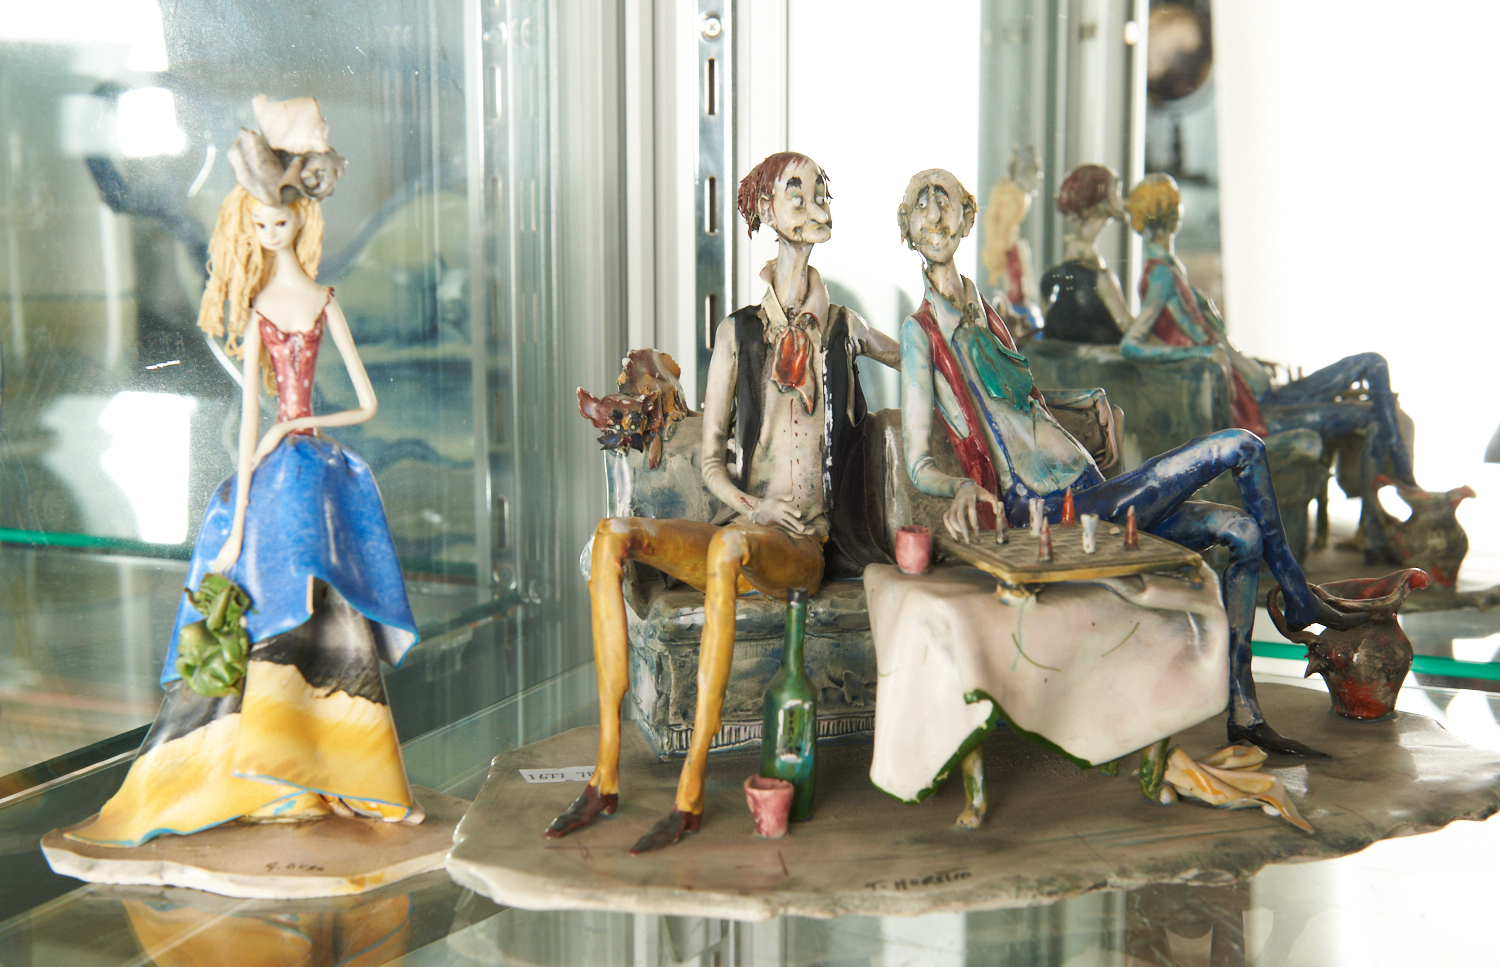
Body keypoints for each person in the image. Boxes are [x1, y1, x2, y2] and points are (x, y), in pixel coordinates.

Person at [897, 168, 1368, 758]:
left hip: (1095, 489)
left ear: (967, 218)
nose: (935, 216)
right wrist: (961, 488)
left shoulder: (983, 308)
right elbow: (918, 462)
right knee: (1242, 444)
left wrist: (1082, 400)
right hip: (1055, 511)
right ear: (907, 228)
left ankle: (1244, 712)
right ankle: (1299, 599)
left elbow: (1023, 402)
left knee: (1243, 532)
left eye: (945, 203)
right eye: (922, 206)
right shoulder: (921, 333)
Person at [67, 96, 422, 847]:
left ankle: (347, 772)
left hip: (313, 468)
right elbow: (252, 417)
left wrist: (296, 426)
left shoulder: (321, 302)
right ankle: (271, 776)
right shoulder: (261, 308)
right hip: (276, 470)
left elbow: (365, 402)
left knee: (331, 609)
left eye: (278, 221)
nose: (269, 233)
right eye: (258, 224)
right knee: (264, 600)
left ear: (299, 218)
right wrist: (243, 495)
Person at [546, 151, 900, 853]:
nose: (815, 201)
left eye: (821, 189)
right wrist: (750, 503)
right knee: (614, 535)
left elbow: (921, 358)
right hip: (749, 525)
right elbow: (711, 460)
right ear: (765, 211)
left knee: (730, 549)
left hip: (801, 546)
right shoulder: (737, 333)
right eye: (796, 190)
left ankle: (690, 792)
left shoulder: (844, 326)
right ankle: (605, 774)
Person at [1119, 173, 1419, 528]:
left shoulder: (1170, 269)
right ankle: (1398, 496)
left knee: (1371, 364)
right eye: (1176, 204)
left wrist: (1234, 357)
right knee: (1371, 399)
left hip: (1260, 393)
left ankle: (1396, 498)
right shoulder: (1161, 276)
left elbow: (1203, 338)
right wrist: (1201, 355)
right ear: (1169, 213)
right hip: (1258, 413)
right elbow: (1131, 345)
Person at [1038, 164, 1133, 344]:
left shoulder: (1052, 277)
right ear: (1100, 201)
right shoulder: (1101, 279)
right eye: (1116, 193)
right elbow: (1130, 328)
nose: (1123, 202)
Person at [981, 146, 1044, 341]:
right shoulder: (1010, 195)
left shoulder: (1020, 195)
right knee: (1015, 277)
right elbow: (1002, 225)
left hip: (1012, 241)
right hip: (1007, 243)